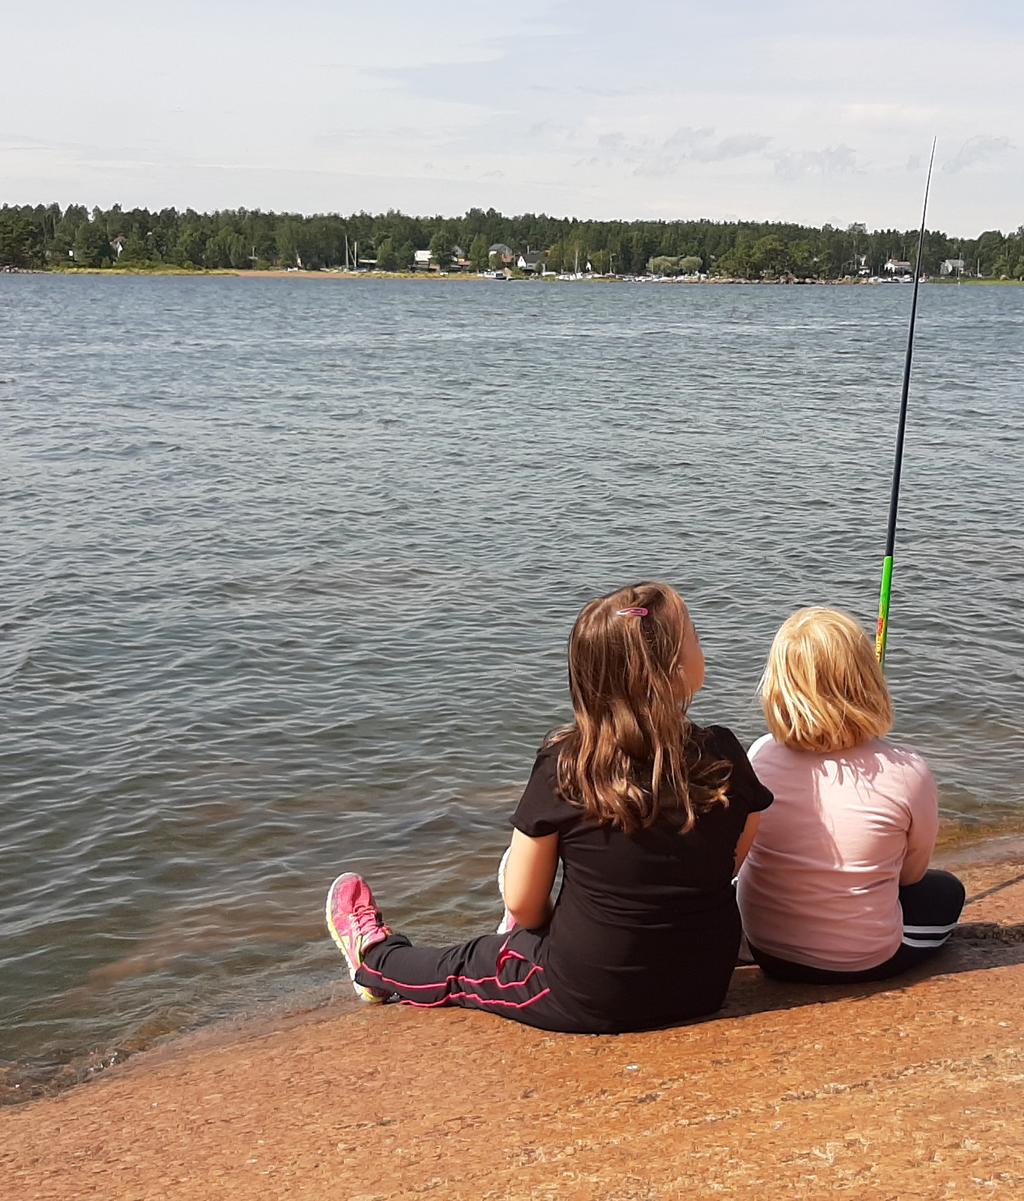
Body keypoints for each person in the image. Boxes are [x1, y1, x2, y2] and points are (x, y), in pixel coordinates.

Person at [325, 581, 773, 1034]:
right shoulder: (723, 753)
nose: (702, 645)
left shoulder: (567, 765)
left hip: (591, 992)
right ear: (673, 670)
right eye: (695, 635)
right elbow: (735, 854)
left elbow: (524, 901)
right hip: (703, 984)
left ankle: (375, 960)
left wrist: (535, 930)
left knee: (467, 965)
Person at [737, 606, 965, 985]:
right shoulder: (908, 771)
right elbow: (911, 875)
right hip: (863, 960)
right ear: (868, 681)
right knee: (947, 890)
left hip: (767, 951)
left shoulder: (759, 754)